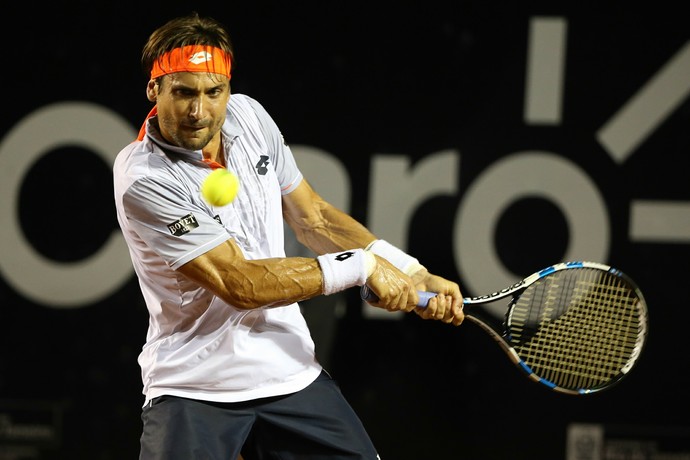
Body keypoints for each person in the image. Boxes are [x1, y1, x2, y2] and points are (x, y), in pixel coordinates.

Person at [113, 11, 465, 460]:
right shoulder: (143, 177)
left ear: (228, 89)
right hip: (194, 385)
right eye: (183, 93)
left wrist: (411, 271)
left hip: (288, 373)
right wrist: (363, 267)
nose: (200, 111)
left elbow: (312, 218)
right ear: (154, 90)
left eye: (213, 92)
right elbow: (239, 283)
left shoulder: (250, 117)